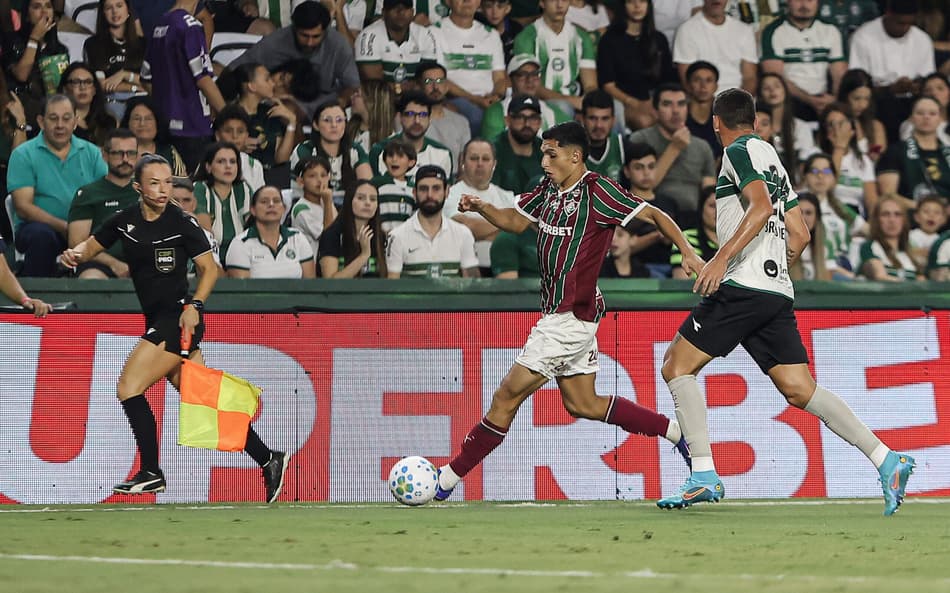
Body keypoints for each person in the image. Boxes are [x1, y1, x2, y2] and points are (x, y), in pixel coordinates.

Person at [655, 88, 915, 516]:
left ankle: (702, 474)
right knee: (800, 389)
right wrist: (776, 265)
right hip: (775, 290)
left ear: (716, 123)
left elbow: (759, 209)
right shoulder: (771, 156)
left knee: (676, 366)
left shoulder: (737, 151)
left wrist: (720, 259)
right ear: (756, 121)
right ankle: (886, 459)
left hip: (744, 285)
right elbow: (801, 233)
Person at [432, 121, 701, 502]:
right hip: (563, 315)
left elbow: (655, 215)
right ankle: (676, 432)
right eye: (543, 154)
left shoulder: (599, 191)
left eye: (551, 154)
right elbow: (515, 221)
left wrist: (687, 252)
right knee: (582, 403)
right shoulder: (548, 190)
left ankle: (445, 478)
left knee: (506, 397)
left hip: (569, 318)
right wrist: (482, 207)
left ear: (575, 156)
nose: (544, 162)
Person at [60, 153, 290, 502]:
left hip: (179, 319)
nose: (163, 189)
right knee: (203, 400)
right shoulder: (124, 220)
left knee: (128, 387)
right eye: (154, 183)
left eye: (167, 182)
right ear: (138, 187)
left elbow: (209, 270)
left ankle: (151, 471)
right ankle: (268, 458)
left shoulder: (183, 222)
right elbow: (90, 246)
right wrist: (74, 254)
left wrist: (195, 306)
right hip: (158, 319)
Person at [7, 94, 107, 277]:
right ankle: (38, 292)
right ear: (41, 122)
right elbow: (23, 207)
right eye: (53, 118)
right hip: (40, 229)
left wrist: (81, 229)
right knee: (41, 236)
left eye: (66, 118)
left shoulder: (92, 153)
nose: (60, 125)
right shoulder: (23, 154)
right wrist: (65, 227)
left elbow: (107, 193)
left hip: (85, 230)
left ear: (75, 122)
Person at [229, 1, 361, 116]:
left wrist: (340, 102)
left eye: (316, 37)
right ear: (294, 28)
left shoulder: (338, 44)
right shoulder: (276, 41)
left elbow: (353, 85)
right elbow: (235, 70)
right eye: (304, 36)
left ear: (325, 30)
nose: (309, 42)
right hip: (274, 101)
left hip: (322, 104)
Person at [142, 0, 227, 173]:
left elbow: (145, 78)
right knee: (191, 185)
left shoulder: (160, 25)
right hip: (193, 125)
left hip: (165, 124)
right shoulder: (191, 27)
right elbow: (203, 79)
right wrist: (227, 114)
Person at [628, 83, 716, 224]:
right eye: (667, 104)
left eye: (681, 104)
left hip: (693, 218)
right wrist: (675, 148)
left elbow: (709, 195)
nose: (675, 111)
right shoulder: (640, 139)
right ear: (655, 111)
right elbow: (644, 184)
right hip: (652, 216)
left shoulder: (702, 146)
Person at [66, 128, 139, 279]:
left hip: (143, 263)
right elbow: (76, 243)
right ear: (105, 155)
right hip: (98, 264)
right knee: (91, 278)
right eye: (118, 153)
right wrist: (114, 264)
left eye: (131, 153)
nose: (125, 159)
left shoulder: (146, 192)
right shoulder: (88, 194)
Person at [430, 0, 509, 137]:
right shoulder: (434, 32)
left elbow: (500, 78)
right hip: (454, 99)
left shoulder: (491, 34)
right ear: (448, 2)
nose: (467, 1)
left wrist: (495, 96)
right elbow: (438, 79)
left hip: (489, 100)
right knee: (477, 116)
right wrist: (474, 99)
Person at [386, 164, 479, 278]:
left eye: (436, 188)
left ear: (447, 192)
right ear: (414, 193)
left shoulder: (463, 234)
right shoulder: (397, 236)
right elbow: (392, 285)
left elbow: (472, 284)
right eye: (423, 189)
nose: (430, 195)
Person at [760, 0, 847, 122]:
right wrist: (809, 99)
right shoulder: (773, 31)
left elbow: (839, 75)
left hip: (824, 99)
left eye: (810, 0)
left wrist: (834, 99)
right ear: (788, 2)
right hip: (789, 100)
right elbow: (775, 79)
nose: (804, 5)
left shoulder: (831, 30)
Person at [597, 0, 675, 132]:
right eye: (631, 2)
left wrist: (657, 102)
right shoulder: (609, 40)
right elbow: (608, 86)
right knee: (645, 121)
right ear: (623, 5)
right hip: (624, 101)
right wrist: (634, 103)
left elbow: (668, 79)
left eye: (642, 1)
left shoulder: (659, 39)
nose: (637, 6)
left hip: (656, 100)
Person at [512, 0, 597, 115]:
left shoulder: (581, 36)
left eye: (564, 0)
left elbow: (590, 85)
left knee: (614, 107)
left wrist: (591, 103)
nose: (560, 5)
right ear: (542, 3)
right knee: (563, 107)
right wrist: (570, 101)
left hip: (575, 99)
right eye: (553, 0)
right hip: (539, 102)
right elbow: (529, 85)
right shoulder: (526, 37)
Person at [445, 138, 516, 274]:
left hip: (504, 269)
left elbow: (517, 232)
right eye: (473, 158)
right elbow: (465, 227)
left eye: (486, 159)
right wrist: (506, 223)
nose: (480, 164)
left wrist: (481, 232)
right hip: (463, 270)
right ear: (462, 162)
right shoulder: (450, 194)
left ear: (494, 164)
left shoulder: (507, 197)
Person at [1, 0, 69, 134]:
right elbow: (21, 75)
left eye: (48, 6)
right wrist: (34, 38)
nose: (44, 12)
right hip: (20, 111)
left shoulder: (59, 49)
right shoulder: (11, 40)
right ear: (27, 15)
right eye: (37, 7)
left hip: (51, 114)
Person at [231, 62, 300, 187]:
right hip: (241, 181)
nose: (273, 84)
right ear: (251, 86)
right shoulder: (231, 115)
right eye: (267, 79)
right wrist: (237, 147)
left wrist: (292, 122)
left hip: (271, 180)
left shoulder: (271, 112)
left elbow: (281, 159)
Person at [291, 101, 372, 206]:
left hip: (348, 208)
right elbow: (303, 192)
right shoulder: (304, 150)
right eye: (327, 120)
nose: (334, 125)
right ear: (316, 125)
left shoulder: (355, 150)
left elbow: (367, 186)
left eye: (339, 120)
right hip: (311, 206)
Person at [226, 185, 316, 279]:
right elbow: (241, 287)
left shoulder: (298, 238)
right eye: (264, 201)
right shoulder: (240, 244)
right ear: (253, 210)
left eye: (276, 201)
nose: (271, 205)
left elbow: (309, 284)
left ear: (284, 209)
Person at [877, 96, 950, 206]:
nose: (926, 117)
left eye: (932, 114)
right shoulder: (895, 151)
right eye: (920, 113)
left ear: (940, 119)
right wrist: (925, 209)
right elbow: (888, 195)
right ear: (911, 118)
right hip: (911, 212)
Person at [672, 0, 757, 94]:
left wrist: (741, 100)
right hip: (703, 98)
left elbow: (749, 78)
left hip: (738, 97)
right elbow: (686, 80)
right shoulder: (686, 30)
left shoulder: (744, 30)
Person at [622, 142, 680, 277]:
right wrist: (657, 235)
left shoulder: (669, 203)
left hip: (673, 267)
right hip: (636, 270)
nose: (646, 173)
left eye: (651, 166)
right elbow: (617, 249)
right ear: (627, 172)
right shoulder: (621, 205)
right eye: (638, 167)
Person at [481, 54, 570, 142]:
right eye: (522, 75)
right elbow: (493, 148)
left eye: (534, 74)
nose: (530, 80)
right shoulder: (496, 112)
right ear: (510, 80)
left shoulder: (553, 112)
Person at [82, 0, 145, 120]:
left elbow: (151, 84)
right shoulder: (93, 45)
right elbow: (102, 85)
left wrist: (124, 75)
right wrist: (134, 87)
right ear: (103, 13)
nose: (115, 11)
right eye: (108, 8)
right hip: (110, 105)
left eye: (119, 6)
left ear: (128, 10)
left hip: (141, 105)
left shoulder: (143, 44)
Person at [368, 91, 454, 179]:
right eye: (410, 114)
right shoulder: (380, 151)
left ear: (429, 118)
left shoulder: (443, 154)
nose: (417, 121)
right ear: (400, 117)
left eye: (423, 115)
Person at [354, 0, 437, 89]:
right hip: (380, 97)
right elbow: (375, 85)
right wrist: (401, 88)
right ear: (383, 13)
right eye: (394, 7)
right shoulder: (368, 36)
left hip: (417, 95)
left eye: (405, 8)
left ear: (413, 12)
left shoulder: (425, 35)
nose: (400, 12)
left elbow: (429, 77)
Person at [816, 103, 878, 219]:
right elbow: (827, 188)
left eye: (841, 123)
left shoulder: (863, 161)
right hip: (826, 213)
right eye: (831, 124)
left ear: (852, 128)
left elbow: (871, 202)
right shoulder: (816, 156)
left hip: (855, 217)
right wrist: (839, 148)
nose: (836, 129)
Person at [192, 141, 254, 256]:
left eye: (233, 161)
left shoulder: (244, 189)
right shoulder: (200, 188)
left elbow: (252, 227)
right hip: (210, 253)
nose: (228, 166)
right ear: (208, 167)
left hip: (241, 254)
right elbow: (205, 234)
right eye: (221, 161)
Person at [318, 180, 388, 278]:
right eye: (361, 198)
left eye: (373, 199)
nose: (368, 203)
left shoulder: (380, 236)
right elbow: (331, 282)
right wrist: (364, 255)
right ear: (349, 201)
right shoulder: (331, 235)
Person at [413, 62, 471, 172]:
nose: (435, 87)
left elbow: (464, 161)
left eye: (440, 81)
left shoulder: (461, 121)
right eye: (428, 81)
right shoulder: (410, 121)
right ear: (418, 87)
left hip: (453, 178)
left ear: (446, 87)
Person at [858, 194, 924, 282]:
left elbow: (922, 284)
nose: (892, 220)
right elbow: (880, 277)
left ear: (904, 220)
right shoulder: (870, 247)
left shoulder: (909, 255)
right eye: (885, 214)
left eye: (897, 214)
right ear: (877, 219)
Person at [120, 96, 187, 177]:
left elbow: (182, 181)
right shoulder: (118, 151)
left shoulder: (169, 152)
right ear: (127, 123)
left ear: (157, 123)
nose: (142, 124)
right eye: (137, 119)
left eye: (148, 119)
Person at [491, 94, 545, 194]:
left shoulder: (546, 151)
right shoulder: (493, 150)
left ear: (540, 122)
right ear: (507, 120)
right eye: (520, 117)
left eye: (533, 118)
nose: (527, 124)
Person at [56, 62, 118, 146]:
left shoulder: (108, 122)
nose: (82, 87)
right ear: (65, 90)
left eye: (88, 82)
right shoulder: (56, 122)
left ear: (94, 90)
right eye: (76, 82)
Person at [581, 90, 634, 182]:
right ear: (583, 119)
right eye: (592, 118)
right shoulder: (570, 150)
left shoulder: (622, 146)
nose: (599, 125)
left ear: (613, 120)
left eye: (605, 119)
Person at [212, 104, 266, 193]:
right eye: (228, 131)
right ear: (218, 135)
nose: (235, 136)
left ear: (247, 135)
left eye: (240, 131)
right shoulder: (209, 162)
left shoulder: (255, 166)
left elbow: (259, 198)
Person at [290, 156, 338, 257]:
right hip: (313, 262)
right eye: (312, 176)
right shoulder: (301, 209)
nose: (320, 180)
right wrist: (328, 203)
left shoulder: (326, 200)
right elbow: (327, 237)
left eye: (323, 175)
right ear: (301, 182)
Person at [836, 69, 887, 161]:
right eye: (856, 98)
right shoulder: (835, 123)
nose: (862, 105)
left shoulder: (876, 126)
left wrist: (876, 153)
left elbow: (878, 152)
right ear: (845, 96)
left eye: (867, 99)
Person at [670, 185, 717, 279]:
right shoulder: (684, 239)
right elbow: (682, 281)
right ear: (701, 209)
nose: (718, 211)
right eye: (712, 206)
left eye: (723, 206)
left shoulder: (739, 240)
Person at [372, 138, 417, 232]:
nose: (394, 159)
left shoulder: (413, 188)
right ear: (384, 160)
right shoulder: (377, 183)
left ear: (411, 162)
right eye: (390, 155)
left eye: (400, 156)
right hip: (380, 236)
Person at [788, 192, 833, 281]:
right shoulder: (782, 244)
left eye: (808, 213)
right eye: (800, 212)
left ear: (817, 218)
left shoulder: (826, 246)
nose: (803, 218)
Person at [683, 61, 721, 162]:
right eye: (697, 80)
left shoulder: (725, 117)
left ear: (716, 86)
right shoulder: (679, 115)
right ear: (688, 85)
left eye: (708, 80)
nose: (703, 86)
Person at [909, 195, 947, 270]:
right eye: (926, 211)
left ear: (943, 219)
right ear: (917, 217)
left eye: (937, 213)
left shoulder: (943, 241)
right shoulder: (909, 235)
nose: (931, 215)